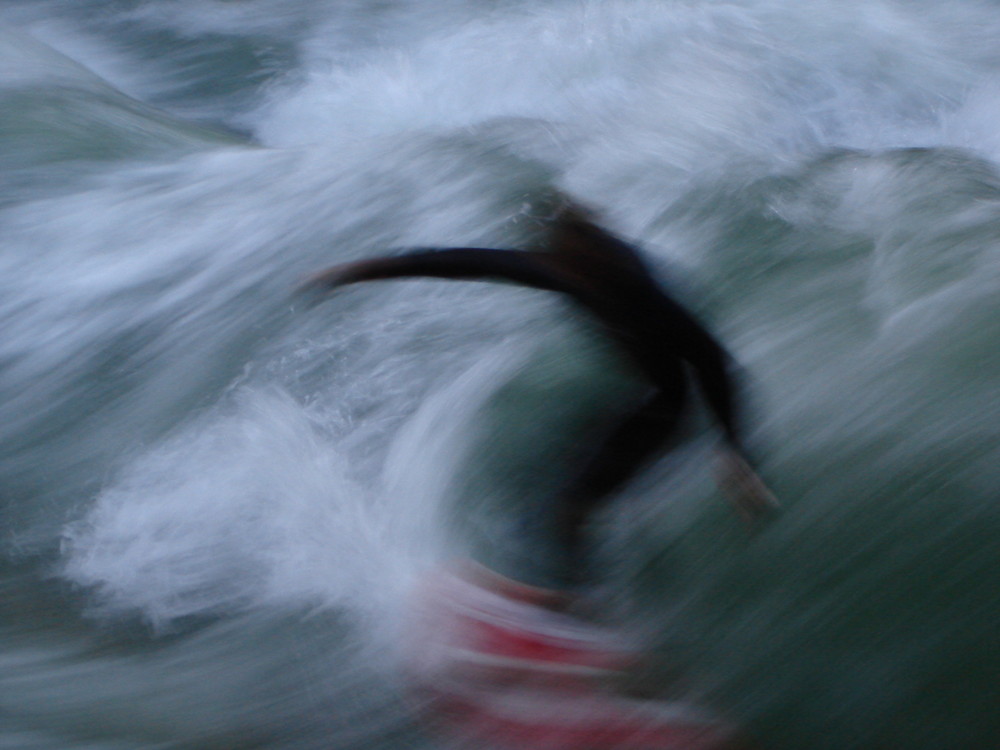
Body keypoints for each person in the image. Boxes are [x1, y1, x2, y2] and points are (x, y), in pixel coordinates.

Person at [302, 204, 777, 591]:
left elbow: (713, 361)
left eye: (571, 271)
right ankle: (597, 586)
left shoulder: (641, 293)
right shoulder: (567, 269)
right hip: (639, 398)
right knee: (543, 488)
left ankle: (583, 609)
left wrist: (734, 452)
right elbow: (462, 262)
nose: (561, 279)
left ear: (595, 264)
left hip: (666, 407)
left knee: (569, 507)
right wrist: (359, 269)